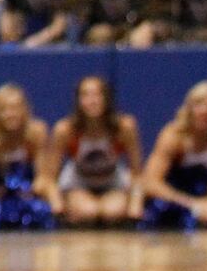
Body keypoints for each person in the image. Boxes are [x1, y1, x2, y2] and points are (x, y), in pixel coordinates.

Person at [48, 75, 143, 224]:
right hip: (78, 182)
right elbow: (49, 177)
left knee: (113, 212)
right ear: (78, 101)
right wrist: (58, 204)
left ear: (107, 99)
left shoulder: (124, 127)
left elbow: (137, 173)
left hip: (113, 181)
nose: (92, 101)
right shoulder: (65, 130)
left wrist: (135, 203)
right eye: (86, 95)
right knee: (88, 212)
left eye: (97, 95)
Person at [140, 81, 207, 226]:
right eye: (199, 105)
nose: (205, 111)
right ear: (189, 109)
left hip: (202, 196)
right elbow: (151, 183)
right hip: (171, 198)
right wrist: (191, 204)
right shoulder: (173, 136)